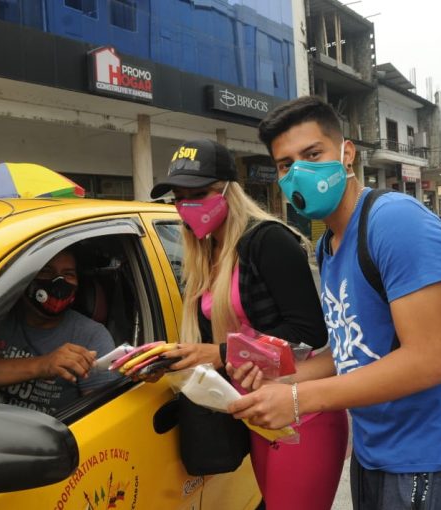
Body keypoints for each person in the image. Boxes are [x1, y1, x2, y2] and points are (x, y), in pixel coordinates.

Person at [228, 96, 441, 510]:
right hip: (375, 457)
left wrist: (298, 401)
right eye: (285, 165)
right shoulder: (329, 246)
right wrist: (285, 383)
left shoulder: (393, 222)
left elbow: (428, 359)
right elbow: (352, 350)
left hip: (432, 462)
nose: (299, 172)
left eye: (312, 154)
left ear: (346, 153)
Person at [149, 139, 348, 510]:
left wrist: (222, 353)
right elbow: (212, 342)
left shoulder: (268, 241)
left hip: (301, 410)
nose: (187, 204)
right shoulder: (204, 252)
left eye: (199, 193)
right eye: (179, 196)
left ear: (228, 190)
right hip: (256, 411)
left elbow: (309, 335)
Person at [0, 249, 119, 413]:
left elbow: (104, 414)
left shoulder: (92, 336)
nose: (58, 282)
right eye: (46, 272)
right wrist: (42, 365)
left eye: (68, 274)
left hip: (47, 442)